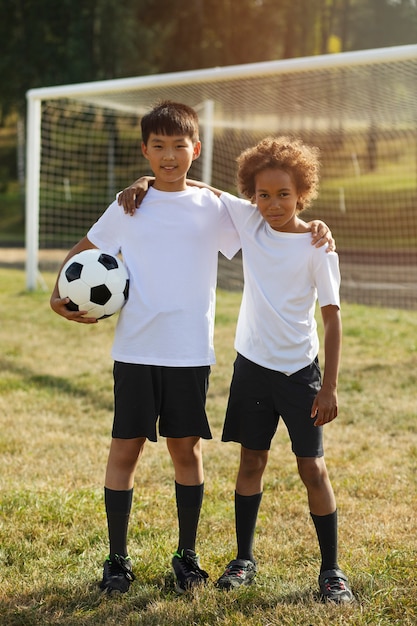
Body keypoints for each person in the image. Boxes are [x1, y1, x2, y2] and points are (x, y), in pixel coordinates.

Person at [51, 101, 332, 596]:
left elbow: (265, 211)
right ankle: (117, 560)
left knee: (187, 451)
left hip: (189, 353)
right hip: (135, 350)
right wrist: (58, 295)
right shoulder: (127, 205)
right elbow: (83, 252)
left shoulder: (214, 208)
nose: (168, 155)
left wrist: (317, 227)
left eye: (179, 146)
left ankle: (187, 555)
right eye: (157, 147)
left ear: (195, 150)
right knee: (125, 450)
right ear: (145, 151)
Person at [121, 135, 353, 603]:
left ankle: (331, 572)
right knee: (251, 461)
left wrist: (328, 387)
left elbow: (332, 318)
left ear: (302, 193)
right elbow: (194, 187)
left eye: (284, 194)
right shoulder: (250, 221)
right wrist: (147, 179)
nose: (272, 204)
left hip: (300, 375)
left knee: (313, 469)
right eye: (263, 195)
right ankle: (243, 559)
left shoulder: (316, 246)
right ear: (252, 194)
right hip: (251, 369)